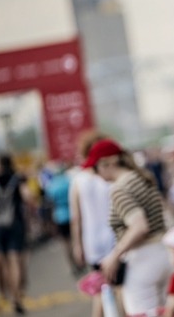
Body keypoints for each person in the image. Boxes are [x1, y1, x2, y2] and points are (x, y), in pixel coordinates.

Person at [84, 138, 172, 316]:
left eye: (96, 167)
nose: (95, 173)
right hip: (163, 254)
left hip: (142, 260)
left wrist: (114, 256)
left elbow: (139, 226)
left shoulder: (120, 189)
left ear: (109, 162)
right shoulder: (141, 178)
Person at [70, 131, 119, 317]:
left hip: (92, 242)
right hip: (115, 239)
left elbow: (76, 217)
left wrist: (77, 245)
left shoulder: (78, 179)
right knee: (119, 288)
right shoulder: (110, 176)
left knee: (101, 290)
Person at [0, 154, 33, 314]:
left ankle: (9, 295)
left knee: (3, 263)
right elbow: (28, 197)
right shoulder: (17, 178)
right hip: (15, 224)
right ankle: (17, 298)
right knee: (15, 261)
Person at [43, 161, 84, 275]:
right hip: (72, 214)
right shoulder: (69, 181)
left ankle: (72, 265)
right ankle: (79, 261)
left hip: (59, 216)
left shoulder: (51, 185)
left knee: (66, 244)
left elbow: (50, 203)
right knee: (75, 239)